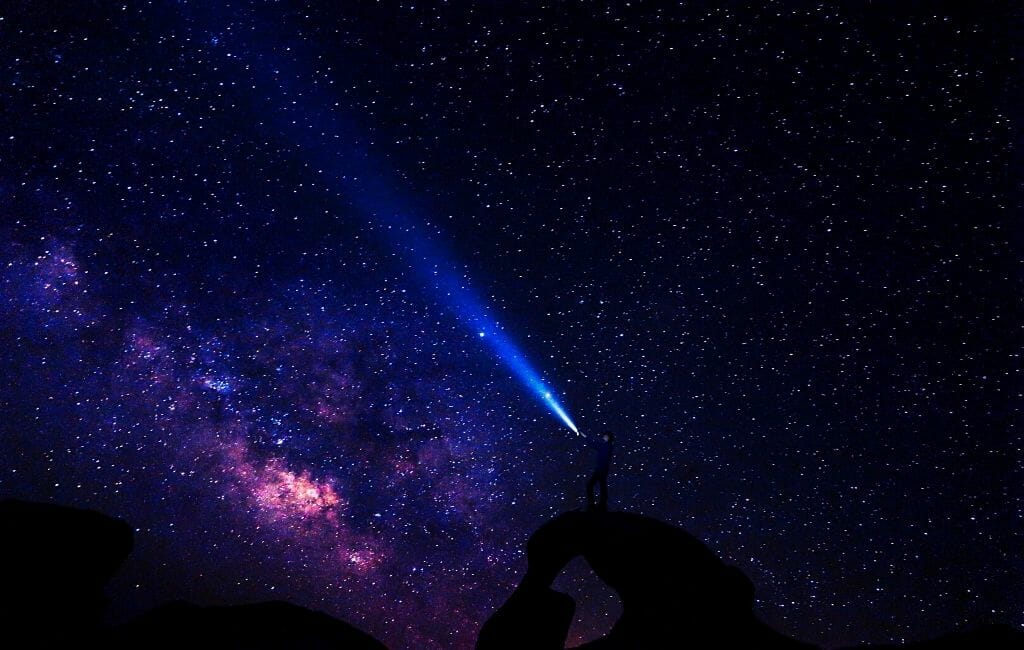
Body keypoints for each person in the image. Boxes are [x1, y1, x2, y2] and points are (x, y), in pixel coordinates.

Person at [586, 430, 615, 512]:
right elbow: (594, 445)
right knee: (596, 485)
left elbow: (594, 445)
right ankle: (598, 505)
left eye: (605, 436)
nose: (603, 437)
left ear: (608, 437)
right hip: (600, 468)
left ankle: (598, 505)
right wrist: (585, 437)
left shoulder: (607, 446)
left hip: (602, 469)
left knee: (598, 485)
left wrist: (586, 437)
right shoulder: (606, 446)